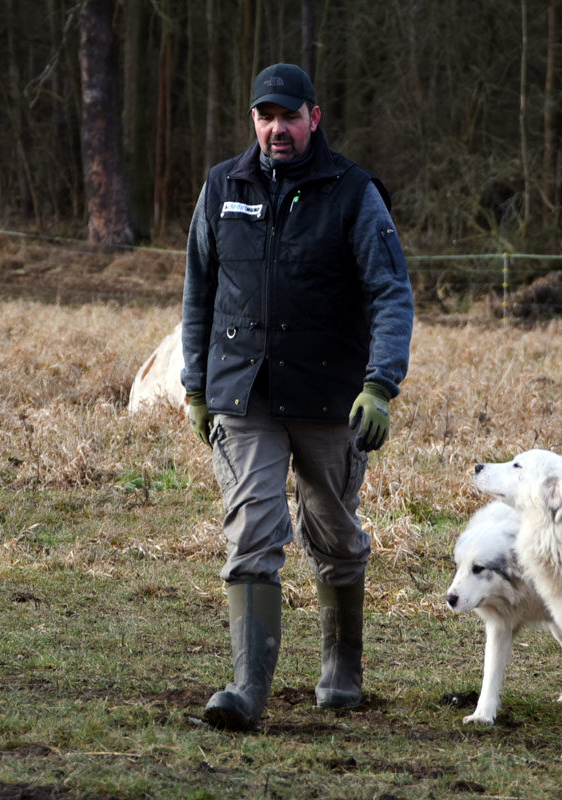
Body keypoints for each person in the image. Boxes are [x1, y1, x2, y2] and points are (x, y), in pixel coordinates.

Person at [180, 63, 414, 731]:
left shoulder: (354, 193)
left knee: (334, 534)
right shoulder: (224, 187)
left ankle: (341, 667)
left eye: (289, 116)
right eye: (265, 116)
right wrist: (195, 386)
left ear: (315, 118)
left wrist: (379, 385)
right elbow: (198, 290)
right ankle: (247, 689)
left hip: (330, 396)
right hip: (243, 393)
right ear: (254, 120)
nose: (276, 129)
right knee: (254, 529)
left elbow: (390, 294)